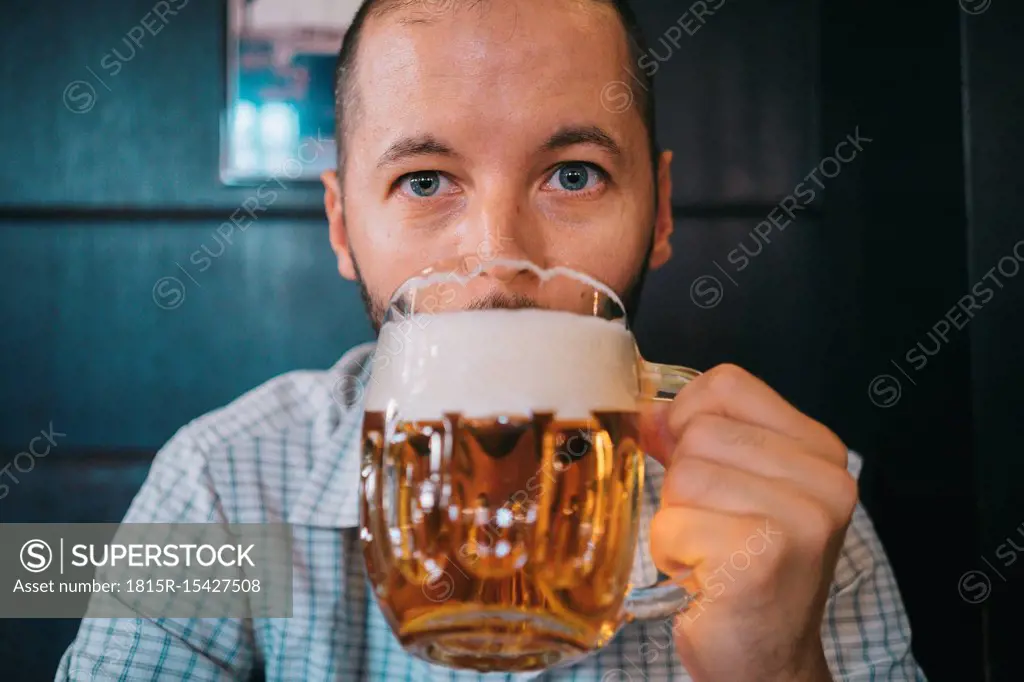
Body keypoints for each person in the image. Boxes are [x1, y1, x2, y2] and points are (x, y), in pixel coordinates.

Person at [57, 0, 927, 680]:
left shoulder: (796, 521)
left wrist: (778, 676)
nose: (501, 258)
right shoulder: (222, 481)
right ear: (341, 223)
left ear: (658, 213)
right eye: (425, 179)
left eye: (574, 175)